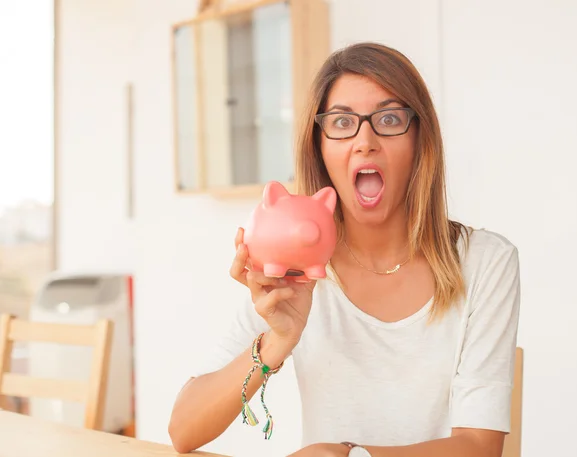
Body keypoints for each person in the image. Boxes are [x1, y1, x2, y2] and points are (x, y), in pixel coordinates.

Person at [168, 42, 521, 457]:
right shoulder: (297, 268)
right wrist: (277, 341)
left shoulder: (485, 262)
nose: (365, 140)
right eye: (342, 122)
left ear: (420, 139)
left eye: (389, 119)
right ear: (319, 145)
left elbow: (480, 448)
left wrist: (351, 456)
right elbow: (184, 431)